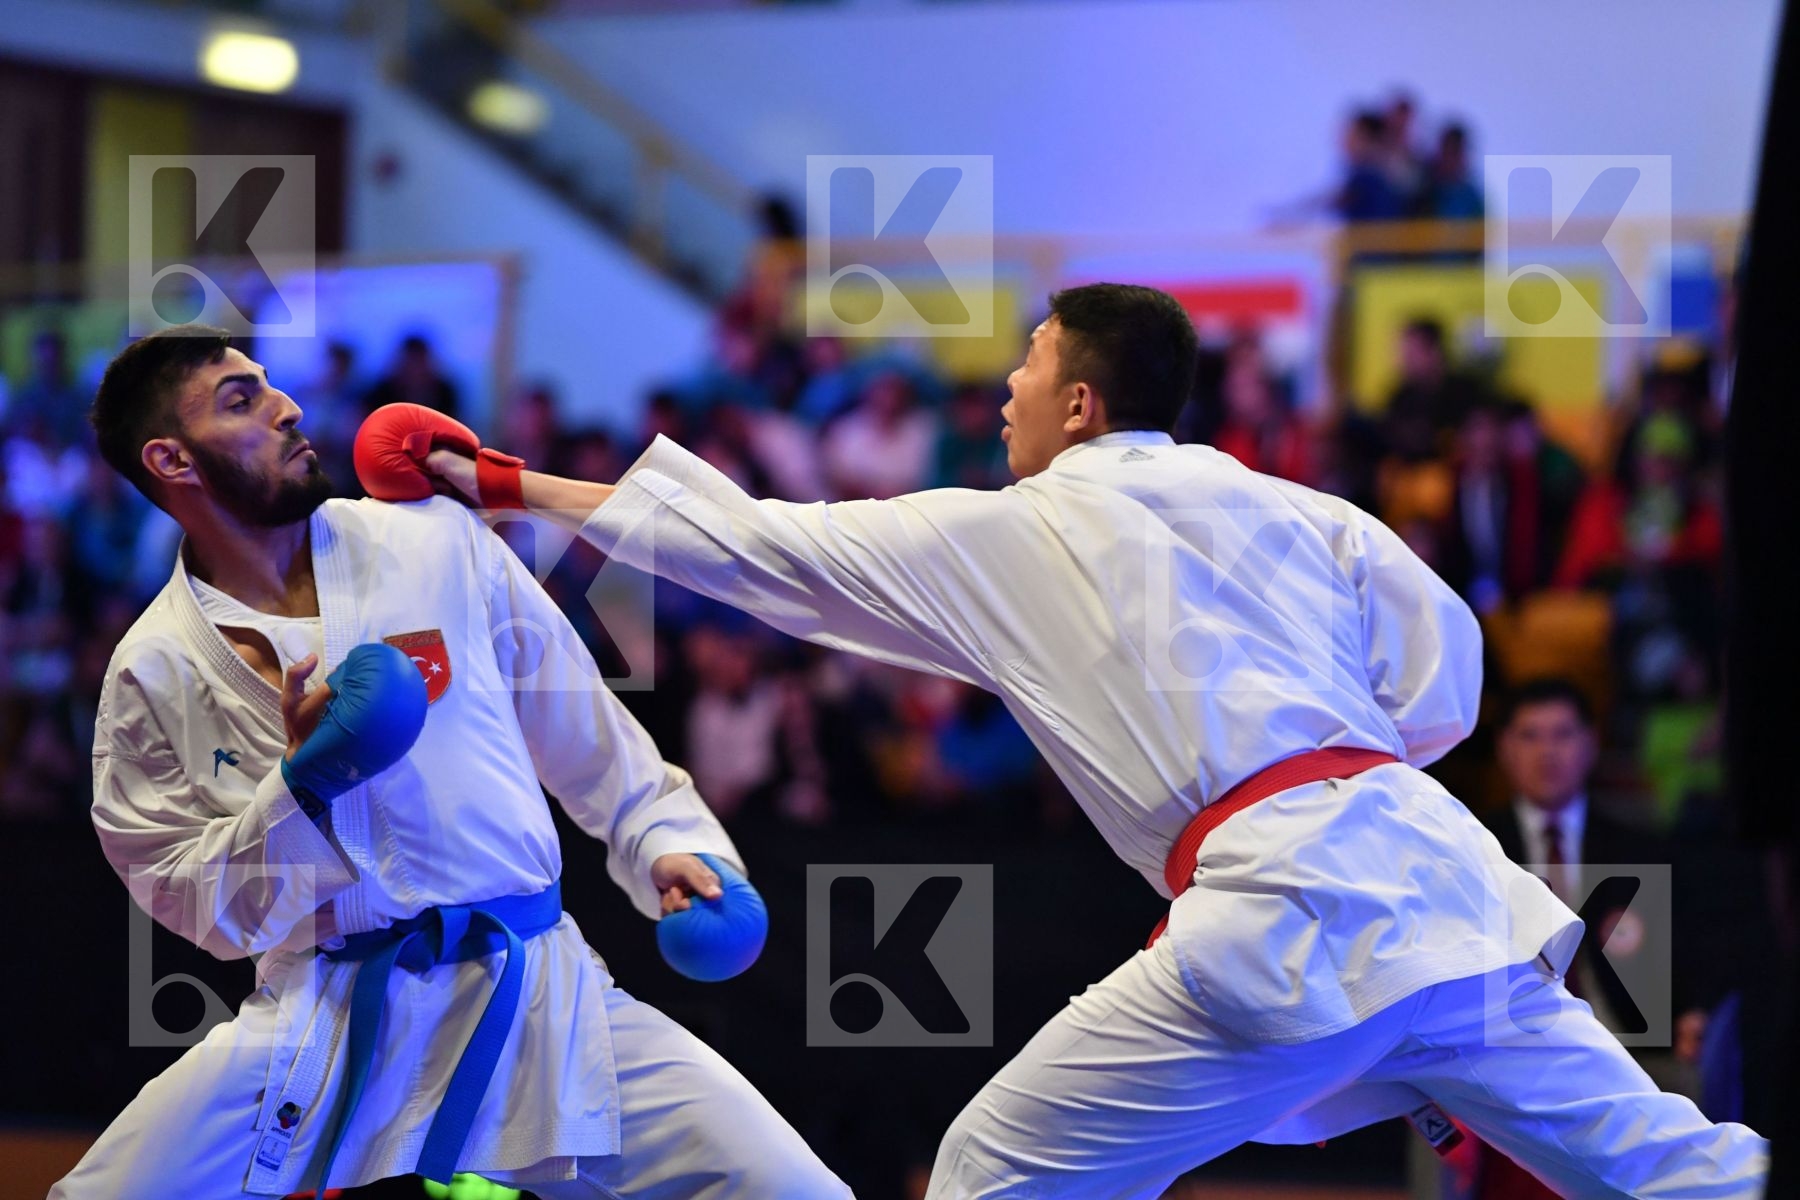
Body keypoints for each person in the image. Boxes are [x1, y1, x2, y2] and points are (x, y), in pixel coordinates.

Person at [401, 283, 1767, 1198]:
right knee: (1674, 1167)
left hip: (1287, 914)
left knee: (993, 1172)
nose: (1002, 390)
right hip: (1439, 882)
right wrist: (1316, 762)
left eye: (1027, 367)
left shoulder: (1021, 528)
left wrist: (509, 482)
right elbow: (1448, 687)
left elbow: (759, 550)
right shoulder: (1312, 513)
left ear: (1082, 408)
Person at [55, 327, 848, 1199]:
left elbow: (582, 724)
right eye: (240, 401)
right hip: (326, 1013)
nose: (287, 408)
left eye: (271, 386)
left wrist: (659, 836)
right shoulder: (154, 668)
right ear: (171, 459)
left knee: (790, 1190)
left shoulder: (431, 543)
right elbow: (189, 899)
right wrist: (302, 787)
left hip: (536, 991)